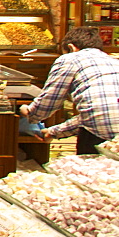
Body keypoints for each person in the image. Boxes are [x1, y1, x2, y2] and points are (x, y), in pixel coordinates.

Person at [21, 26, 119, 154]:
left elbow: (50, 99)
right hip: (108, 134)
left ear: (71, 47)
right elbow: (94, 114)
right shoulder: (114, 61)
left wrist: (30, 113)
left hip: (99, 135)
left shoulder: (70, 59)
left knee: (90, 170)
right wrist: (53, 132)